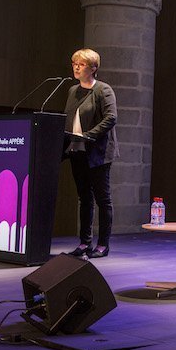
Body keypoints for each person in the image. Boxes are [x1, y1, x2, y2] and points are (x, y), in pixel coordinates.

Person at [64, 48, 119, 259]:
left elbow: (110, 118)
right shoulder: (72, 91)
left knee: (102, 199)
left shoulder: (103, 90)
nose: (76, 67)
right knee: (84, 198)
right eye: (74, 63)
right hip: (76, 151)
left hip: (98, 152)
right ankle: (84, 243)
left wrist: (88, 135)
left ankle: (103, 244)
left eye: (81, 64)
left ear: (93, 68)